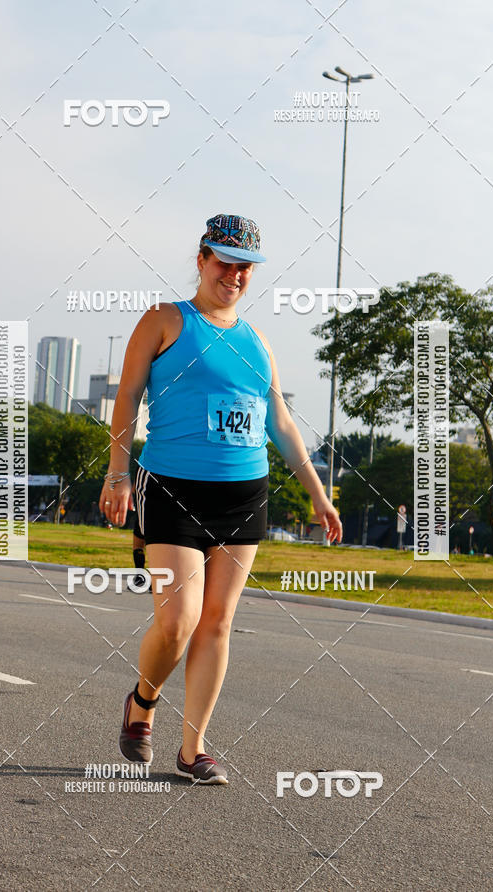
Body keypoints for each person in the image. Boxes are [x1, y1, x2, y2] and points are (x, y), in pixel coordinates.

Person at [99, 214, 342, 785]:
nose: (232, 274)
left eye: (244, 267)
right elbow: (128, 395)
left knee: (218, 622)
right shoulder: (164, 319)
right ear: (202, 259)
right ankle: (143, 702)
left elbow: (280, 422)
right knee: (178, 621)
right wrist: (117, 475)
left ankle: (193, 750)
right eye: (222, 261)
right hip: (170, 489)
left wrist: (319, 495)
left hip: (243, 496)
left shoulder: (257, 344)